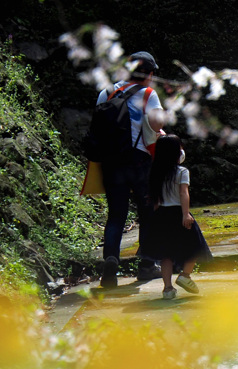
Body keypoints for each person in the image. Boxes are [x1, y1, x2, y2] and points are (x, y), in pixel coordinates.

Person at [98, 51, 165, 288]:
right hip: (139, 161)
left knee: (116, 214)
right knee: (148, 213)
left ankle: (110, 262)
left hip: (110, 162)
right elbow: (157, 124)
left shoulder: (107, 92)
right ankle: (147, 265)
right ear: (148, 73)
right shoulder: (148, 93)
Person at [141, 135, 212, 300]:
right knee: (196, 246)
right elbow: (183, 193)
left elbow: (155, 199)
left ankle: (167, 289)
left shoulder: (155, 172)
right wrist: (186, 213)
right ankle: (185, 276)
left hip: (162, 215)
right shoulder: (182, 172)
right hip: (178, 212)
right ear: (176, 152)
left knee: (165, 255)